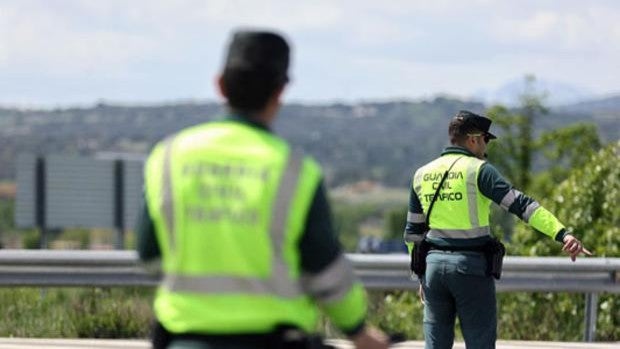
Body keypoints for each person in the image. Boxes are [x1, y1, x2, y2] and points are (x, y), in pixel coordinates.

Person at [136, 29, 390, 349]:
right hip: (274, 340)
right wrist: (357, 329)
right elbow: (325, 269)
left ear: (220, 85)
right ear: (280, 91)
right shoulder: (295, 170)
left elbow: (149, 255)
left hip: (186, 339)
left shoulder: (169, 156)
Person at [403, 110, 592, 349]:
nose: (486, 146)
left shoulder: (422, 174)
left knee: (435, 344)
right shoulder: (479, 170)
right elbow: (522, 206)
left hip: (433, 271)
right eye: (485, 139)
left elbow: (412, 232)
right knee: (480, 342)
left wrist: (421, 275)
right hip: (469, 269)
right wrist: (562, 233)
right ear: (473, 139)